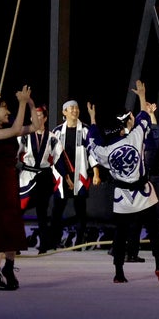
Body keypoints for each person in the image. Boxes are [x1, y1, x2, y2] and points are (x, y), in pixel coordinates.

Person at [85, 81, 159, 284]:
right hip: (144, 194)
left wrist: (93, 120)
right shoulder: (136, 138)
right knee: (154, 232)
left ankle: (119, 273)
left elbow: (92, 142)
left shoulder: (105, 151)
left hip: (122, 197)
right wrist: (142, 96)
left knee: (120, 235)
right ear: (127, 122)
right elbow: (143, 119)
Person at [0, 86, 35, 290]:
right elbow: (15, 129)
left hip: (10, 180)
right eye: (4, 108)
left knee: (12, 225)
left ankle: (8, 268)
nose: (8, 111)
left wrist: (29, 103)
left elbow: (35, 126)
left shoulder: (7, 130)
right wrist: (20, 104)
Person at [48, 99, 99, 250]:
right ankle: (54, 240)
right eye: (71, 108)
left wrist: (96, 172)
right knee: (57, 209)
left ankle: (80, 241)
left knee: (80, 209)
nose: (75, 111)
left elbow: (92, 152)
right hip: (62, 175)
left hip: (80, 175)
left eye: (76, 108)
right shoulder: (57, 131)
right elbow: (52, 155)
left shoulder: (84, 130)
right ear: (64, 112)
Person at [16, 105, 58, 252]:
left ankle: (44, 245)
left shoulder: (52, 137)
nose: (38, 119)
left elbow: (59, 158)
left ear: (45, 118)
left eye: (41, 116)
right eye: (35, 116)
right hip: (26, 176)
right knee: (19, 210)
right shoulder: (24, 135)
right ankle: (17, 244)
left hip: (44, 176)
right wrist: (16, 166)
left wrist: (66, 177)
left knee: (42, 211)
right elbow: (15, 154)